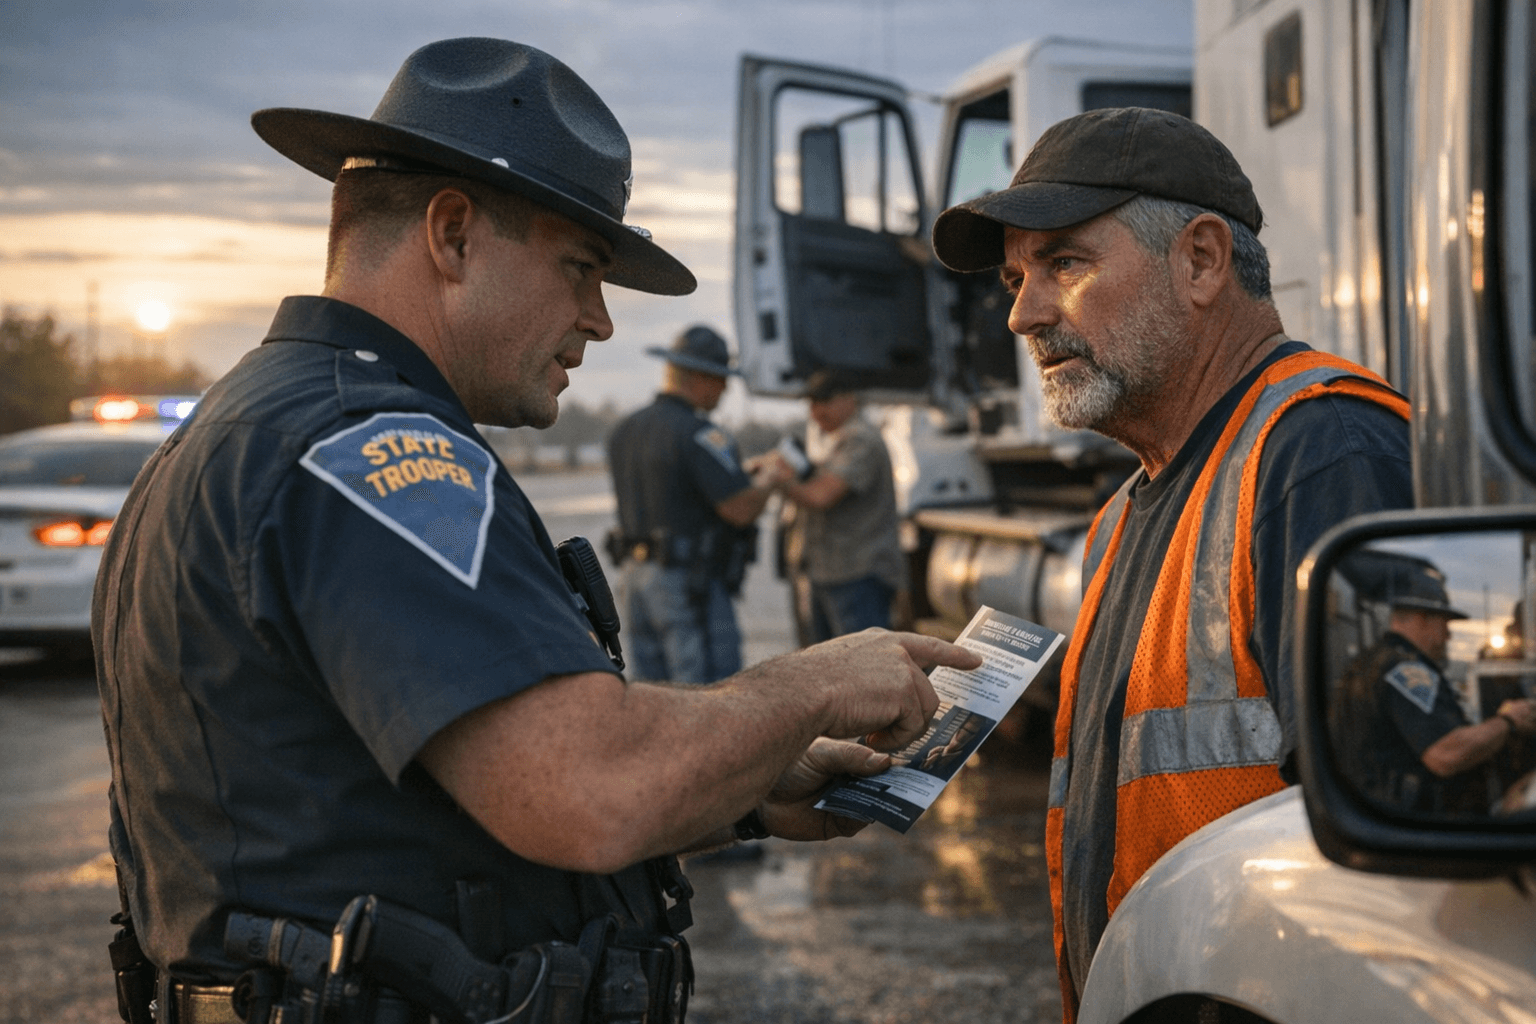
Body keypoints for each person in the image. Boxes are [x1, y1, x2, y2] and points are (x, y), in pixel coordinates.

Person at [92, 38, 982, 1024]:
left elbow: (442, 781)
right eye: (580, 268)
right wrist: (811, 685)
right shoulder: (371, 448)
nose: (600, 321)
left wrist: (746, 775)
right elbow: (588, 783)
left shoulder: (257, 424)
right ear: (454, 233)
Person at [930, 106, 1416, 1019]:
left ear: (1200, 260)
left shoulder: (1324, 452)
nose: (1022, 313)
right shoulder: (1125, 514)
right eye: (1013, 276)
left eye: (1064, 264)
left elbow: (1398, 865)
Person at [607, 326, 780, 683]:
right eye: (720, 379)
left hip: (634, 581)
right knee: (709, 693)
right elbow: (739, 508)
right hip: (686, 584)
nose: (725, 389)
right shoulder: (701, 433)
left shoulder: (625, 429)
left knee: (653, 693)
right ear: (699, 377)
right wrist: (771, 480)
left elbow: (672, 487)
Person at [1333, 564, 1536, 814]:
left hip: (1383, 816)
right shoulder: (1406, 669)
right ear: (1422, 619)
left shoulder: (1371, 663)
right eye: (1445, 625)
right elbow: (1446, 754)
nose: (1449, 636)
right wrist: (1509, 721)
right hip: (1415, 825)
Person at [770, 368, 904, 642]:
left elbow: (821, 496)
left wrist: (779, 479)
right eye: (811, 404)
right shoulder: (839, 440)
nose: (815, 412)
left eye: (823, 402)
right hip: (835, 575)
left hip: (857, 577)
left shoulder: (860, 440)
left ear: (848, 398)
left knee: (861, 670)